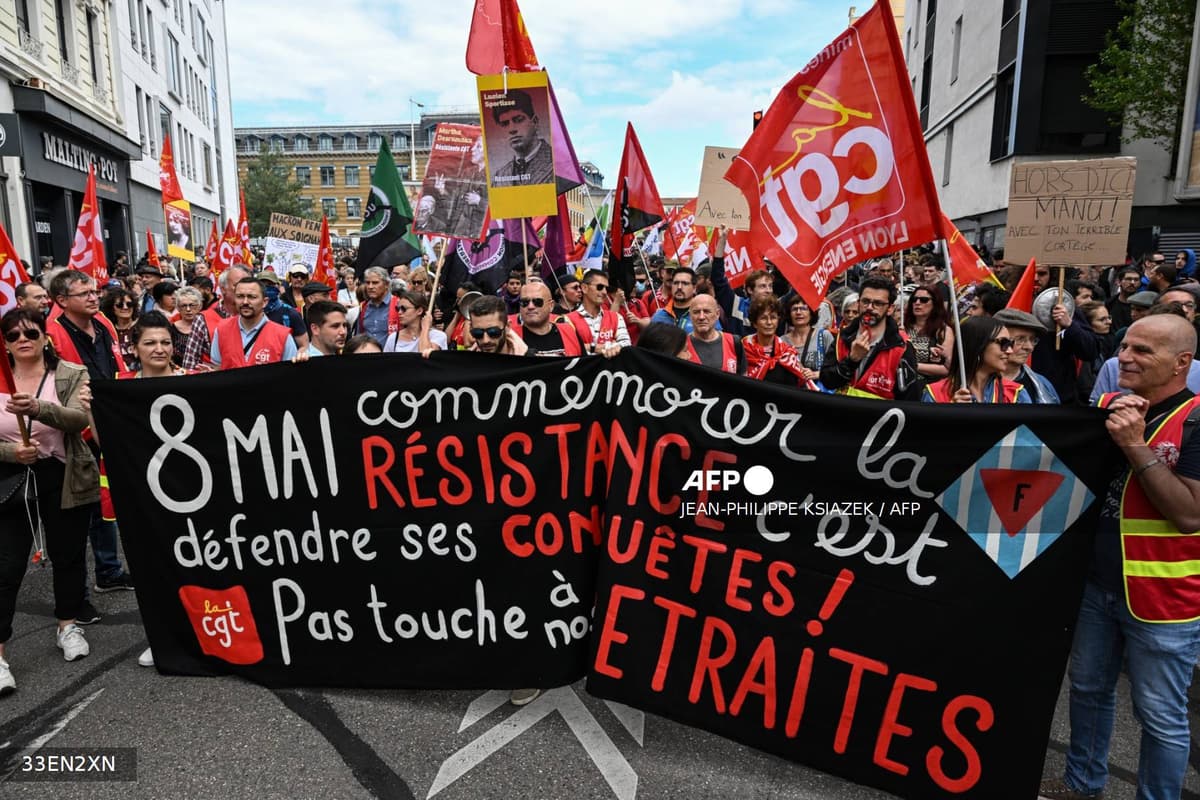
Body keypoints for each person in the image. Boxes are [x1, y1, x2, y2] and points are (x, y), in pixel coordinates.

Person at [1041, 314, 1200, 800]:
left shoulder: (1195, 421)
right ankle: (1081, 785)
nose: (1124, 358)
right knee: (1087, 690)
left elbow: (1190, 514)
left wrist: (1134, 445)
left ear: (1181, 363)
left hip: (1164, 598)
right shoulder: (1108, 405)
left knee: (1158, 715)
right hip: (1095, 583)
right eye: (1125, 347)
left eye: (1142, 351)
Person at [1, 308, 99, 693]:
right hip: (11, 479)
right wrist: (11, 455)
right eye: (12, 335)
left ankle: (67, 625)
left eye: (30, 332)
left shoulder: (71, 373)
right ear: (5, 343)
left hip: (62, 473)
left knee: (68, 554)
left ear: (44, 336)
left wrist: (39, 408)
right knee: (6, 566)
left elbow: (80, 419)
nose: (22, 339)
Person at [820, 277, 922, 400]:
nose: (869, 307)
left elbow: (910, 400)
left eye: (878, 303)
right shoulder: (842, 337)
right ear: (858, 304)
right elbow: (827, 381)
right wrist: (852, 360)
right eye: (865, 301)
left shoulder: (901, 347)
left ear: (890, 309)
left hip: (880, 418)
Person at [922, 316, 1028, 403]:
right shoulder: (935, 393)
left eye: (1010, 344)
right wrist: (951, 413)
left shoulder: (1016, 394)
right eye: (1003, 343)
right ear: (978, 345)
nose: (1010, 351)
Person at [209, 277, 298, 369]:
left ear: (264, 302)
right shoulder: (222, 330)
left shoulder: (282, 336)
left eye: (252, 297)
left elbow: (290, 374)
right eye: (240, 296)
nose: (245, 302)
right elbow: (217, 367)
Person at [992, 309, 1060, 403]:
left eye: (1033, 340)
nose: (1029, 347)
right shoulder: (975, 382)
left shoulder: (1043, 385)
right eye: (1020, 339)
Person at [489, 89, 554, 187]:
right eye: (505, 124)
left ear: (535, 122)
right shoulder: (499, 176)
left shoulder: (556, 164)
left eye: (519, 120)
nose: (512, 129)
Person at [742, 296, 809, 386]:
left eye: (773, 317)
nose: (769, 322)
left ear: (778, 321)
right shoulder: (743, 349)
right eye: (763, 318)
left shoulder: (787, 353)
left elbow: (799, 386)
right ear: (754, 323)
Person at [517, 280, 587, 357]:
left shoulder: (570, 331)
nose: (530, 306)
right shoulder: (511, 338)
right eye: (524, 302)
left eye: (537, 302)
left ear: (551, 306)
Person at [566, 271, 629, 351]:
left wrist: (586, 347)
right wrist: (600, 347)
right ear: (584, 288)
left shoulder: (616, 317)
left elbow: (626, 346)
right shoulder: (568, 320)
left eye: (606, 288)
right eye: (600, 287)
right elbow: (569, 349)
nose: (604, 292)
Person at [683, 294, 744, 374]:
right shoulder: (682, 345)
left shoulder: (734, 342)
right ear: (690, 315)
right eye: (696, 312)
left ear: (717, 314)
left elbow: (744, 379)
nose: (701, 317)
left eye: (707, 311)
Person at [903, 287, 953, 381]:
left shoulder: (943, 331)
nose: (917, 303)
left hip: (928, 387)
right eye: (914, 299)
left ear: (935, 303)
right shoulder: (902, 327)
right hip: (902, 384)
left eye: (924, 300)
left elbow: (947, 368)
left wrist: (913, 366)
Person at [782, 296, 829, 383]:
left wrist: (817, 374)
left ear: (811, 313)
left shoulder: (823, 336)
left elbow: (835, 366)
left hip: (817, 392)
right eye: (794, 309)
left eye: (803, 308)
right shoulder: (782, 341)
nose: (798, 312)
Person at [257, 271, 309, 350]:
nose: (266, 288)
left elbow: (304, 346)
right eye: (262, 285)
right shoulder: (248, 313)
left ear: (278, 286)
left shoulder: (290, 314)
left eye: (270, 285)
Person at [356, 267, 400, 348]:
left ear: (386, 284)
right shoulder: (363, 307)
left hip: (390, 357)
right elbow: (359, 336)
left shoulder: (398, 304)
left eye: (375, 283)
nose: (370, 286)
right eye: (367, 283)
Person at [649, 267, 703, 333]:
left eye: (685, 283)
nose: (679, 287)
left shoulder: (703, 316)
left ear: (694, 288)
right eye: (676, 283)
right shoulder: (659, 316)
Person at [99, 286, 139, 370]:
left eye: (129, 304)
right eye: (120, 305)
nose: (125, 307)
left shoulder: (142, 326)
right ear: (111, 308)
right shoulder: (107, 330)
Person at [170, 286, 211, 370]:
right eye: (183, 306)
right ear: (178, 308)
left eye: (192, 305)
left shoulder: (207, 327)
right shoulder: (171, 328)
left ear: (200, 306)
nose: (188, 309)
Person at [1106, 266, 1142, 331]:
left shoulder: (1143, 305)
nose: (1132, 282)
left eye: (1136, 280)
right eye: (1128, 279)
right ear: (1119, 282)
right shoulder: (1109, 304)